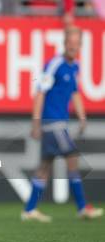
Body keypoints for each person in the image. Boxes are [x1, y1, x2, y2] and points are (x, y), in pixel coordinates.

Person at [23, 26, 103, 222]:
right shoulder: (54, 65)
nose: (73, 47)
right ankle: (82, 207)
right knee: (72, 158)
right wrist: (36, 123)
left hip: (61, 124)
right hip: (53, 123)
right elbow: (40, 92)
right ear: (65, 43)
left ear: (80, 46)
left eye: (77, 44)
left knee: (44, 167)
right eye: (70, 43)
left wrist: (82, 116)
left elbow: (74, 92)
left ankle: (30, 209)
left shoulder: (74, 66)